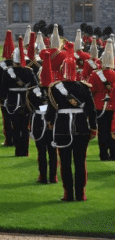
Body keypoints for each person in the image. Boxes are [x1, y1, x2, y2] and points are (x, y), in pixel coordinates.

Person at [45, 56, 97, 201]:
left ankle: (68, 194)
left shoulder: (55, 88)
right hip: (81, 127)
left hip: (62, 127)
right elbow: (91, 110)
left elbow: (51, 109)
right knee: (80, 162)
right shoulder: (84, 87)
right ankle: (81, 194)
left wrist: (49, 121)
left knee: (65, 162)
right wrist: (93, 127)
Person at [0, 37, 37, 157]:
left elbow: (2, 88)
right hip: (26, 101)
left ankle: (17, 149)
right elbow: (35, 86)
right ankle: (24, 151)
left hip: (12, 101)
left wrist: (2, 99)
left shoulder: (7, 72)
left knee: (15, 126)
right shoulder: (29, 71)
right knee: (25, 127)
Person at [28, 36, 58, 184]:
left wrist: (43, 108)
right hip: (53, 122)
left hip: (39, 121)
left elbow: (31, 106)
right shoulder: (56, 90)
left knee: (42, 152)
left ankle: (44, 177)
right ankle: (53, 177)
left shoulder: (33, 91)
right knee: (52, 151)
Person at [88, 39, 115, 161]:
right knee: (113, 131)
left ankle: (103, 155)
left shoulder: (95, 74)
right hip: (113, 106)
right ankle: (113, 154)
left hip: (99, 105)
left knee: (102, 132)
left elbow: (91, 90)